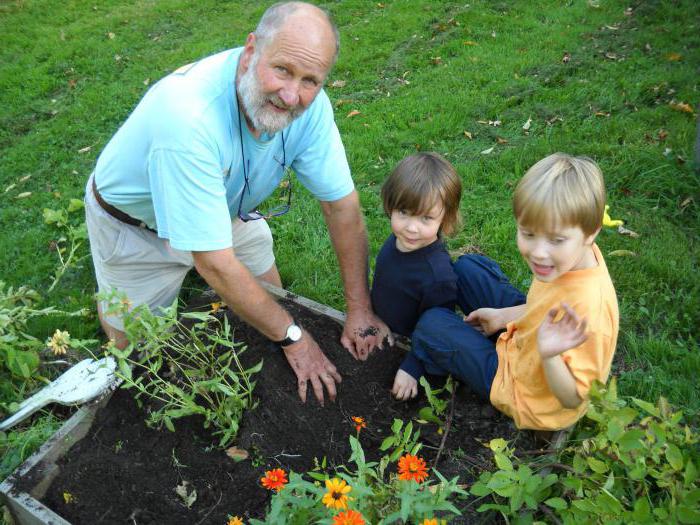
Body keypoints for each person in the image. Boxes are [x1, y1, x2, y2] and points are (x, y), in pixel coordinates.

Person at [84, 2, 390, 406]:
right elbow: (214, 262)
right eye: (281, 69)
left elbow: (341, 207)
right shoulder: (189, 118)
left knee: (269, 304)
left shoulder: (309, 110)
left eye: (309, 80)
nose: (291, 95)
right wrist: (296, 338)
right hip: (135, 228)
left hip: (225, 208)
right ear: (250, 51)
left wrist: (359, 308)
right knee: (141, 364)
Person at [410, 153, 619, 430]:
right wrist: (503, 316)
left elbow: (573, 400)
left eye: (556, 240)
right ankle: (490, 336)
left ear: (591, 232)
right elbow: (545, 304)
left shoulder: (588, 311)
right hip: (529, 342)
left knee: (431, 324)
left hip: (530, 393)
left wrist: (550, 354)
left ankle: (442, 360)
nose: (539, 253)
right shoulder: (571, 258)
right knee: (467, 269)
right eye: (528, 234)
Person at [369, 152, 463, 401]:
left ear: (446, 218)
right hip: (380, 330)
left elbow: (436, 331)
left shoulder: (438, 277)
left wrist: (413, 367)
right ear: (390, 206)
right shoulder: (397, 241)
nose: (412, 228)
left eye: (426, 218)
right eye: (403, 212)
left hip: (408, 347)